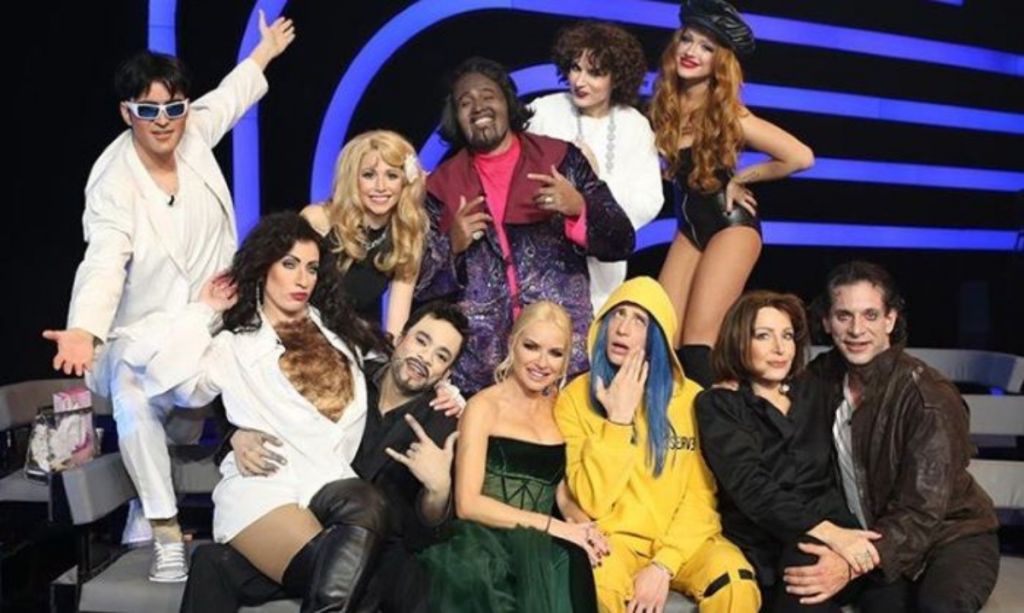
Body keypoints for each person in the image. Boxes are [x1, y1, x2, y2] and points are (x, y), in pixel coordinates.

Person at [41, 11, 295, 582]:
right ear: (126, 112)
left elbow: (229, 98)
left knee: (183, 417)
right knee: (132, 393)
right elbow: (104, 258)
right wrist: (84, 328)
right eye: (148, 110)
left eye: (173, 108)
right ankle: (164, 532)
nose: (163, 122)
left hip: (206, 325)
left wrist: (264, 53)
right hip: (142, 334)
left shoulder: (193, 132)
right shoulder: (113, 182)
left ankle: (151, 505)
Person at [119, 212, 393, 612]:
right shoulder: (233, 344)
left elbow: (394, 368)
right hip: (265, 490)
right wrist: (204, 310)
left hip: (327, 482)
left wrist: (446, 390)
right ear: (264, 268)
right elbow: (167, 380)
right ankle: (222, 568)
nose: (302, 279)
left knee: (368, 511)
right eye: (289, 264)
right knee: (369, 579)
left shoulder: (337, 330)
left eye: (311, 268)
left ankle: (221, 567)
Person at [179, 301, 471, 613]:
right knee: (211, 561)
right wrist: (236, 436)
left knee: (402, 585)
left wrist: (438, 490)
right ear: (400, 338)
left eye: (441, 356)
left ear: (447, 373)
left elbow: (428, 536)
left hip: (382, 554)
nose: (425, 357)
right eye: (421, 341)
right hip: (308, 528)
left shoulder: (443, 422)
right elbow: (255, 393)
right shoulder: (345, 374)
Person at [415, 56, 636, 395]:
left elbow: (622, 240)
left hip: (563, 362)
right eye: (465, 102)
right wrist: (451, 246)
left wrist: (578, 207)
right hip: (481, 374)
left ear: (507, 102)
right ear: (455, 117)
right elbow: (418, 287)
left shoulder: (560, 159)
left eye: (488, 96)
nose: (478, 106)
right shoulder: (441, 186)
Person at [801, 261, 999, 612]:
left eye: (871, 315)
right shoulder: (819, 379)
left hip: (951, 536)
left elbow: (922, 511)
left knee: (938, 607)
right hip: (877, 537)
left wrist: (851, 564)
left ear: (890, 320)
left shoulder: (928, 397)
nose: (857, 329)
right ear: (827, 322)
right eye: (844, 316)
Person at [555, 276, 759, 613]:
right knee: (595, 583)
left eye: (639, 320)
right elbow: (591, 501)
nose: (622, 329)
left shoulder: (691, 398)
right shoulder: (575, 398)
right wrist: (618, 420)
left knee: (735, 582)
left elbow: (700, 495)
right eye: (617, 315)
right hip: (614, 541)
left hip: (684, 542)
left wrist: (664, 564)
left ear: (658, 336)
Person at [696, 291, 901, 611]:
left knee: (895, 593)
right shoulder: (720, 404)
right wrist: (832, 535)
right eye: (763, 336)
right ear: (738, 341)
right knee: (806, 575)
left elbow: (860, 351)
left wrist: (843, 539)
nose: (780, 349)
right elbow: (752, 488)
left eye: (788, 336)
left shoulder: (814, 389)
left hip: (840, 532)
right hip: (770, 542)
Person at [649, 0, 814, 386]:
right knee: (661, 342)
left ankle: (719, 421)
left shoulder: (728, 112)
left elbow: (800, 156)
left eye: (706, 47)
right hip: (689, 227)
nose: (692, 51)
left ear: (719, 61)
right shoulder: (665, 106)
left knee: (697, 346)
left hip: (730, 225)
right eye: (687, 40)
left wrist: (741, 178)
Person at [419, 301, 606, 612]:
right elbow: (467, 503)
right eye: (531, 347)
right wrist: (554, 526)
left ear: (565, 361)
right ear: (512, 343)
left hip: (546, 543)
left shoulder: (562, 409)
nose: (542, 363)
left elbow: (561, 492)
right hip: (486, 544)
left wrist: (584, 526)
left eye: (555, 353)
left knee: (575, 560)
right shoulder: (483, 407)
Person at [528, 21, 663, 313]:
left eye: (595, 73)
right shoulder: (544, 110)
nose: (580, 81)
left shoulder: (634, 125)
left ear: (617, 77)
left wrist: (595, 181)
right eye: (575, 68)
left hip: (603, 270)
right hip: (542, 260)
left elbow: (649, 199)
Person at [301, 130, 428, 336]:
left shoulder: (406, 237)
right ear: (352, 179)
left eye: (392, 176)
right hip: (297, 335)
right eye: (369, 175)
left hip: (350, 342)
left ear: (405, 182)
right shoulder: (319, 219)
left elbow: (396, 326)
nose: (381, 187)